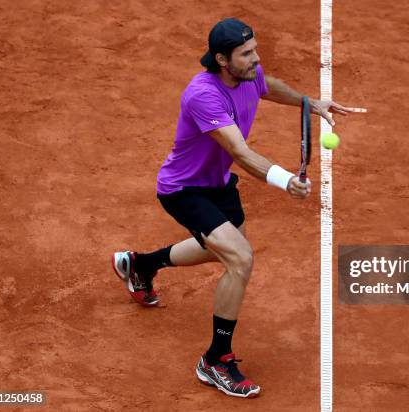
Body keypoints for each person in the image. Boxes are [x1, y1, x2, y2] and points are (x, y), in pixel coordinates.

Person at [112, 18, 362, 398]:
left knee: (222, 253)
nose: (256, 59)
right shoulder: (203, 95)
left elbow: (267, 86)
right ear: (221, 59)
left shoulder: (248, 75)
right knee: (240, 258)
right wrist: (284, 180)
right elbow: (240, 152)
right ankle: (215, 359)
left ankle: (141, 265)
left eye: (255, 50)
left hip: (217, 184)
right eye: (246, 54)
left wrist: (308, 102)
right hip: (185, 189)